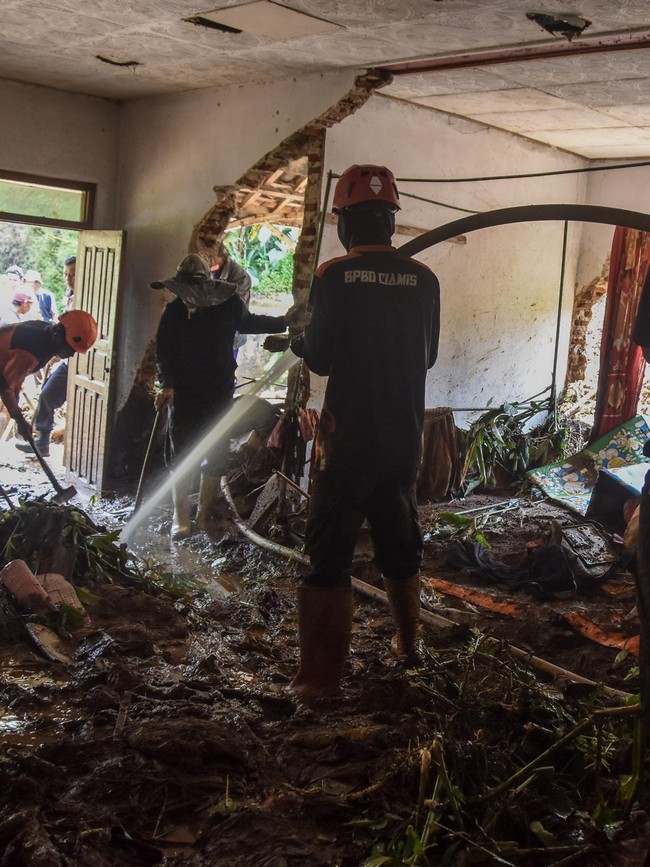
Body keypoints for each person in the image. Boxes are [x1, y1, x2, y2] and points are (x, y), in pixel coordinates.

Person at [288, 164, 441, 699]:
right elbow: (429, 356)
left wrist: (298, 342)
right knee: (401, 545)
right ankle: (409, 646)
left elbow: (323, 358)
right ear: (392, 223)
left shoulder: (333, 276)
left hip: (347, 440)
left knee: (326, 554)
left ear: (344, 224)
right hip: (402, 439)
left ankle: (319, 680)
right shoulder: (425, 280)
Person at [151, 253, 298, 539]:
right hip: (184, 394)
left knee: (216, 452)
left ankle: (204, 513)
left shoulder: (229, 304)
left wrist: (283, 321)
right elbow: (164, 353)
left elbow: (249, 323)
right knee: (181, 454)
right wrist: (166, 384)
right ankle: (180, 518)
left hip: (218, 392)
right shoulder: (174, 312)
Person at [0, 311, 97, 447]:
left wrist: (17, 413)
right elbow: (5, 388)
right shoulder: (30, 353)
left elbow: (13, 382)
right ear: (61, 336)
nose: (71, 354)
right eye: (71, 349)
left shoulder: (45, 333)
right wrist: (20, 420)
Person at [15, 256, 77, 457]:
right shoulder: (68, 295)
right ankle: (41, 442)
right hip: (69, 360)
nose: (68, 278)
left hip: (83, 362)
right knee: (47, 394)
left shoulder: (87, 298)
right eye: (66, 274)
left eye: (73, 274)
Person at [209, 241, 252, 357]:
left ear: (222, 256)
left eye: (212, 258)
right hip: (210, 335)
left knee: (225, 369)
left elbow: (234, 308)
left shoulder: (240, 276)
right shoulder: (207, 270)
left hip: (230, 336)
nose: (209, 262)